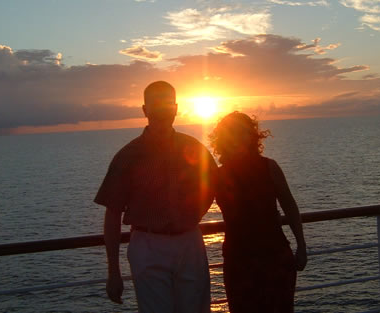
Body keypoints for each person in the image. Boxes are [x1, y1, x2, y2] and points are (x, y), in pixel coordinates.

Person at [94, 81, 217, 313]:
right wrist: (113, 271)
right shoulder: (128, 156)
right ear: (145, 110)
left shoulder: (194, 148)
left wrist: (192, 214)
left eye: (167, 104)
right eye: (156, 104)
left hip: (189, 241)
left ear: (176, 108)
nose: (162, 109)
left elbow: (215, 187)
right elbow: (112, 213)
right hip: (148, 245)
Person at [209, 111, 307, 313]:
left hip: (275, 257)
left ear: (252, 136)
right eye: (232, 133)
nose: (237, 137)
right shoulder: (217, 176)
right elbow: (194, 205)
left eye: (241, 132)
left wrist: (302, 245)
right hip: (240, 261)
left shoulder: (269, 167)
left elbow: (289, 205)